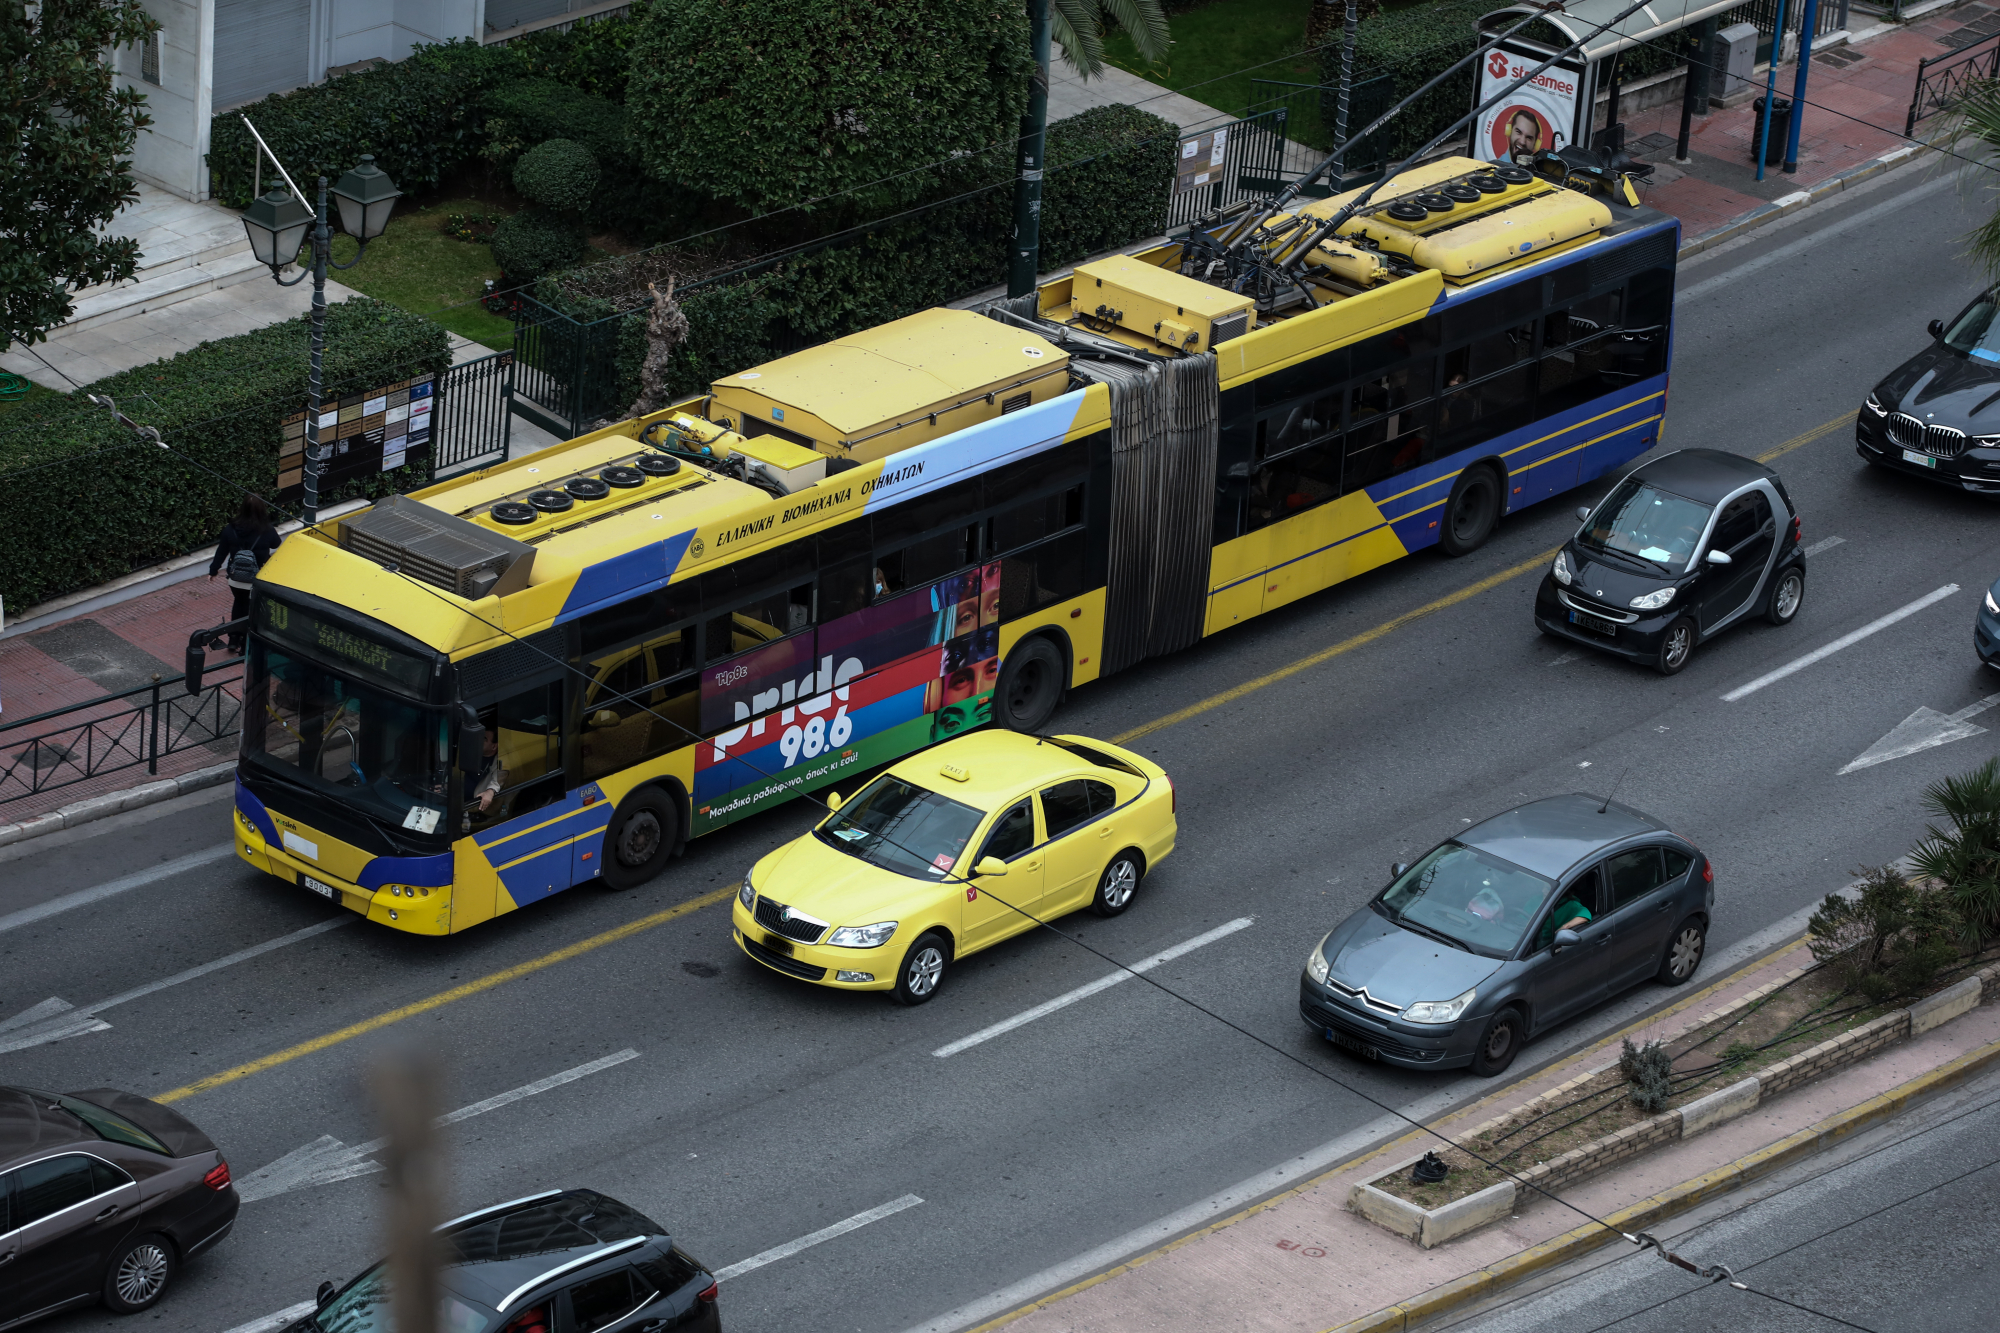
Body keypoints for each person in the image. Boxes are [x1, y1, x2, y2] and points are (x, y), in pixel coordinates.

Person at [209, 495, 280, 651]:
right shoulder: (267, 529)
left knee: (239, 603)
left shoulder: (230, 529)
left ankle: (233, 638)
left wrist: (213, 570)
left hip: (236, 577)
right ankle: (246, 642)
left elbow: (221, 552)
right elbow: (277, 543)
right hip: (257, 577)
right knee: (254, 607)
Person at [470, 728, 506, 820]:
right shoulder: (471, 753)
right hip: (454, 797)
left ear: (494, 746)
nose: (479, 740)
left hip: (472, 809)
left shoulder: (500, 760)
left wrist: (490, 791)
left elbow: (499, 776)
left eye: (484, 739)